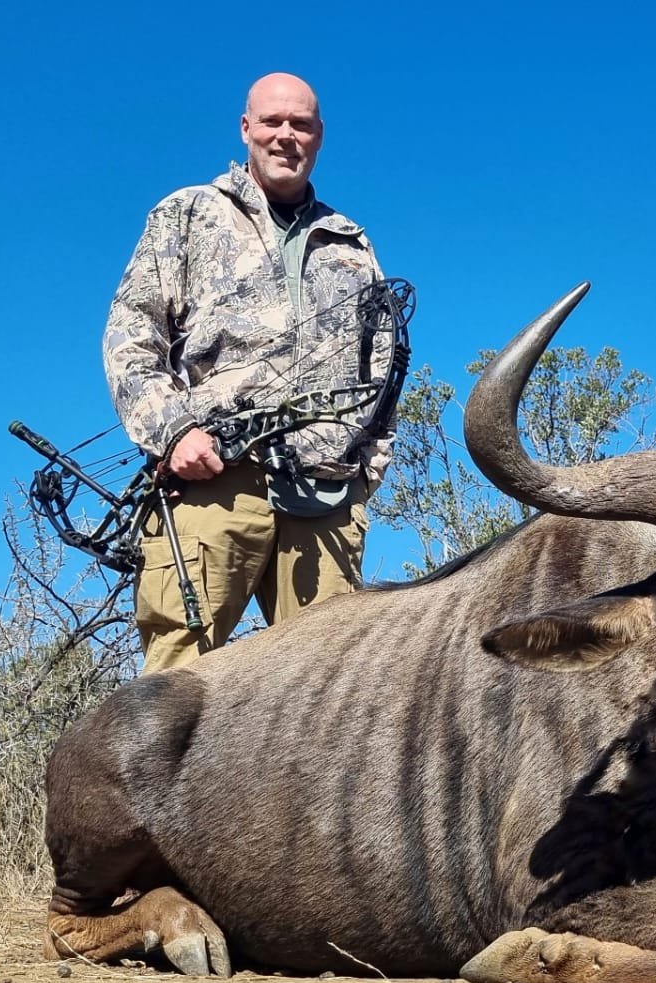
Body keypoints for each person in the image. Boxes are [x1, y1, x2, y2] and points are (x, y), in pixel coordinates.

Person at [104, 73, 399, 673]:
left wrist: (366, 471)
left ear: (319, 137)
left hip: (325, 494)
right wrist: (175, 433)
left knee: (328, 691)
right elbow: (131, 338)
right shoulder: (190, 213)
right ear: (246, 129)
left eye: (301, 124)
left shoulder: (351, 243)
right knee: (178, 683)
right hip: (215, 479)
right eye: (272, 122)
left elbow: (383, 372)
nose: (286, 136)